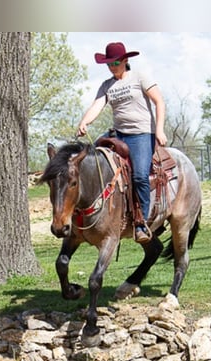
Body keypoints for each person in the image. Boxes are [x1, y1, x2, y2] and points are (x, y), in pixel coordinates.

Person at [76, 41, 167, 244]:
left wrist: (159, 130)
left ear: (125, 61)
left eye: (115, 62)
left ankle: (142, 222)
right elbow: (97, 105)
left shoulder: (139, 77)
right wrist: (84, 122)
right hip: (118, 135)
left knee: (140, 176)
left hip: (142, 134)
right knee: (97, 166)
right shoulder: (107, 85)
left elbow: (159, 101)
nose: (112, 67)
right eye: (109, 64)